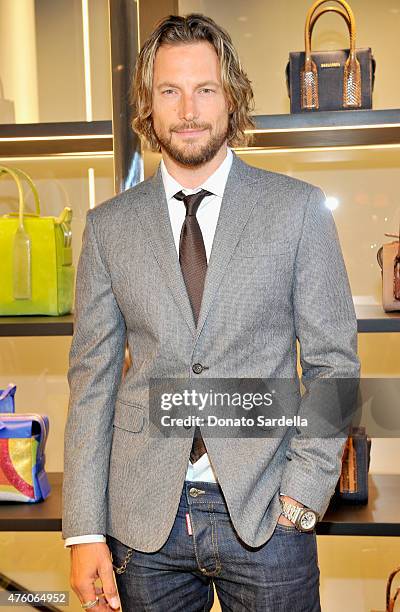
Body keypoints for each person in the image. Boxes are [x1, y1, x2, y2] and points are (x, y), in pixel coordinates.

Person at [62, 13, 360, 612]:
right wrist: (85, 530)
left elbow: (335, 368)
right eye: (170, 90)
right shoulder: (108, 229)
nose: (189, 109)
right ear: (149, 102)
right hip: (143, 523)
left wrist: (302, 497)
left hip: (268, 518)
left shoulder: (298, 212)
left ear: (232, 97)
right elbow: (92, 383)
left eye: (205, 89)